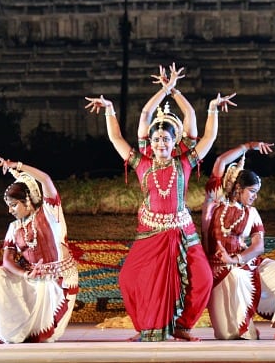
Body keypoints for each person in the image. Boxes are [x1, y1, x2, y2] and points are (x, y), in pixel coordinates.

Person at [85, 64, 237, 342]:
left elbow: (209, 137)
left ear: (173, 140)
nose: (160, 143)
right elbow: (118, 136)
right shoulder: (140, 163)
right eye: (156, 139)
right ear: (151, 143)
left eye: (165, 139)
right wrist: (110, 110)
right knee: (129, 278)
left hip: (181, 231)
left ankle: (183, 327)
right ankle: (146, 328)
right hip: (151, 231)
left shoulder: (185, 163)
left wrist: (212, 108)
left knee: (201, 278)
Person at [202, 142, 275, 340]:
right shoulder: (214, 202)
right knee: (228, 334)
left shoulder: (252, 212)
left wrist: (236, 259)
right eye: (252, 191)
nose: (255, 196)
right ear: (238, 188)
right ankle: (247, 323)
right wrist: (247, 146)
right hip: (219, 272)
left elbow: (258, 246)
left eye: (256, 192)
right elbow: (220, 161)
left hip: (246, 265)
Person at [0, 156, 79, 343]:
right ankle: (0, 329)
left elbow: (46, 180)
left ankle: (26, 329)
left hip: (57, 280)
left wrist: (18, 166)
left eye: (14, 205)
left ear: (28, 201)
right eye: (8, 206)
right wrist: (25, 275)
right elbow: (7, 261)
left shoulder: (50, 213)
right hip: (30, 277)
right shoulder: (14, 227)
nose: (10, 210)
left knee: (45, 335)